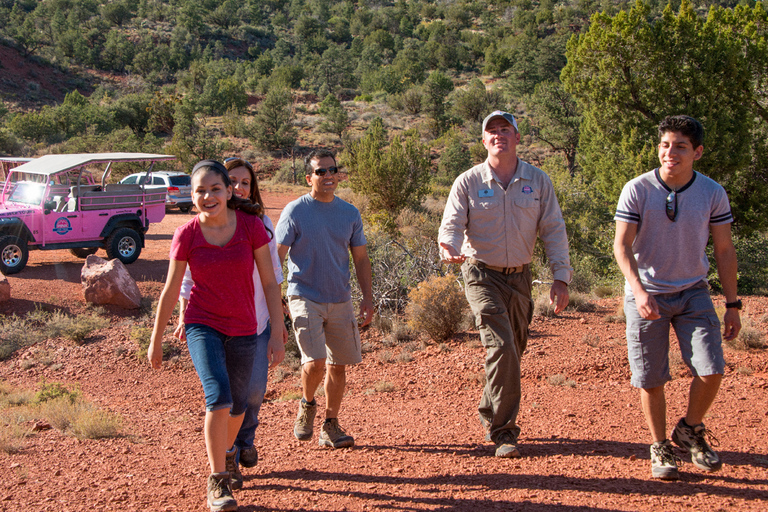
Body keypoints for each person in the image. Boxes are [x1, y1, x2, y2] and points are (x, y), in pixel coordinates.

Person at [149, 160, 287, 512]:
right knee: (219, 397)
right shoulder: (187, 234)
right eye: (200, 191)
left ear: (229, 191)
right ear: (191, 196)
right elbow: (170, 290)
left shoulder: (252, 227)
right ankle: (218, 480)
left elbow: (270, 283)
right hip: (202, 323)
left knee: (240, 405)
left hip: (244, 325)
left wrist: (277, 330)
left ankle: (227, 451)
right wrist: (156, 338)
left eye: (215, 189)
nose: (207, 196)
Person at [438, 111, 572, 458]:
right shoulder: (467, 181)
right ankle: (504, 431)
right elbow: (451, 224)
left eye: (505, 130)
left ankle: (489, 409)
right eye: (492, 131)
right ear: (484, 141)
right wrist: (448, 245)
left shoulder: (538, 180)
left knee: (512, 350)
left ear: (516, 137)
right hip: (480, 272)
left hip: (521, 277)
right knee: (500, 346)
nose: (499, 135)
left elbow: (553, 230)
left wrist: (560, 277)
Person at [613, 115, 740, 480]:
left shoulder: (712, 192)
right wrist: (638, 292)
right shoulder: (637, 189)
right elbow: (621, 247)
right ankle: (660, 446)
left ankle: (689, 428)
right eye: (666, 145)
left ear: (697, 152)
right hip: (647, 293)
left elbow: (724, 249)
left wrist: (732, 304)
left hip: (693, 292)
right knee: (651, 377)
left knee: (711, 367)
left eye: (681, 146)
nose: (671, 153)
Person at [275, 148, 373, 449]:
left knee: (338, 364)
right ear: (309, 178)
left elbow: (360, 259)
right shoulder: (295, 211)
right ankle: (306, 404)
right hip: (303, 294)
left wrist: (367, 297)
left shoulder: (349, 213)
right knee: (315, 361)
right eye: (321, 171)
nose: (328, 176)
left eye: (332, 170)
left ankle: (330, 425)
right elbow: (275, 257)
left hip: (340, 297)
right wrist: (275, 299)